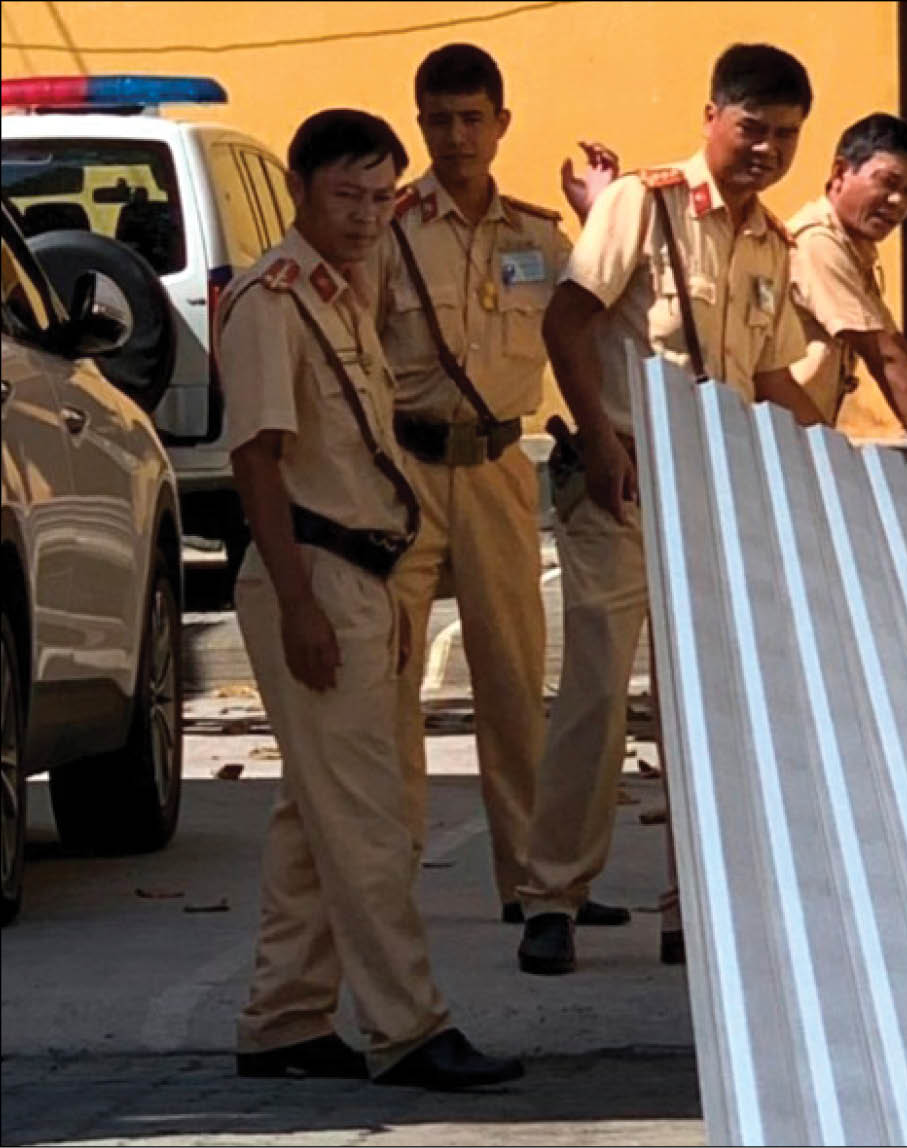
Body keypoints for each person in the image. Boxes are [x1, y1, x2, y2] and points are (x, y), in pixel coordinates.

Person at [219, 107, 521, 1089]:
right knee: (369, 821)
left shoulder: (345, 290)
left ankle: (284, 1018)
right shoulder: (272, 299)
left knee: (319, 813)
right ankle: (407, 1026)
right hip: (314, 571)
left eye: (381, 197)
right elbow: (258, 461)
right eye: (345, 195)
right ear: (299, 189)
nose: (364, 214)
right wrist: (299, 604)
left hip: (368, 573)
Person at [517, 43, 821, 975]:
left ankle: (695, 905)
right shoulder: (640, 205)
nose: (767, 149)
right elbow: (567, 320)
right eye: (753, 128)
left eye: (786, 135)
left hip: (716, 496)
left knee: (710, 707)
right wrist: (599, 440)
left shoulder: (771, 243)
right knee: (598, 694)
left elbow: (772, 378)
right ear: (711, 117)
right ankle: (552, 897)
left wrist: (841, 465)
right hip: (624, 485)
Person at [377, 43, 626, 927]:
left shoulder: (539, 236)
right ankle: (385, 879)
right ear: (420, 125)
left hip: (496, 470)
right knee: (391, 679)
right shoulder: (390, 231)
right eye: (439, 121)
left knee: (516, 682)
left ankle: (533, 879)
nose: (456, 137)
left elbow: (595, 327)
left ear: (501, 123)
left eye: (472, 119)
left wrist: (599, 217)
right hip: (404, 471)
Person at [788, 112, 907, 462]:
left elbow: (892, 342)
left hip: (805, 440)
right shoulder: (817, 243)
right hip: (782, 444)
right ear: (840, 172)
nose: (897, 202)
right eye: (887, 183)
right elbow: (885, 354)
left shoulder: (853, 249)